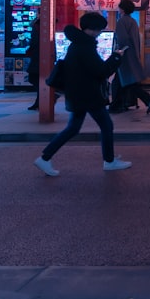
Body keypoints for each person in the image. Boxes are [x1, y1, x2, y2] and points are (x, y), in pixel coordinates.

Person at [33, 12, 130, 176]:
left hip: (78, 93)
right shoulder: (85, 47)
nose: (100, 32)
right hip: (88, 94)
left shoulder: (77, 43)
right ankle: (109, 161)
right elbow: (101, 71)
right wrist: (116, 57)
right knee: (106, 125)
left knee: (73, 128)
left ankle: (45, 158)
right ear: (92, 30)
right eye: (99, 29)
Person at [113, 0, 150, 114]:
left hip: (124, 55)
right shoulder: (133, 21)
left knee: (123, 81)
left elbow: (122, 39)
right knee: (126, 81)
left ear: (122, 9)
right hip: (132, 54)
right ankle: (144, 100)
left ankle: (119, 105)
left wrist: (118, 52)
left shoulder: (121, 22)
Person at [27, 17, 42, 110]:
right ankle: (39, 101)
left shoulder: (36, 29)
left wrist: (30, 50)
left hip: (37, 57)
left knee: (33, 78)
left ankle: (40, 100)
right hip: (39, 57)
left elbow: (34, 43)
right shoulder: (39, 28)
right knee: (36, 79)